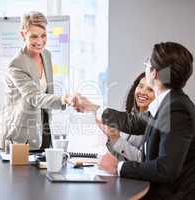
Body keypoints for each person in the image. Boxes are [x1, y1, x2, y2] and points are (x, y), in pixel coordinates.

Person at [75, 42, 195, 199]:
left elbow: (166, 169)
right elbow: (133, 122)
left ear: (155, 73)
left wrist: (118, 167)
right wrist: (91, 107)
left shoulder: (176, 109)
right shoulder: (168, 103)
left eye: (147, 64)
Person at [0, 11, 76, 150]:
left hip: (43, 129)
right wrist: (63, 100)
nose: (40, 41)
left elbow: (47, 91)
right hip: (19, 136)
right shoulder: (16, 64)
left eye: (43, 35)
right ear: (23, 35)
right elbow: (35, 97)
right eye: (33, 36)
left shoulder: (46, 55)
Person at [100, 72, 155, 161]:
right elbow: (124, 158)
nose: (142, 92)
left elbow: (142, 160)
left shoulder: (153, 123)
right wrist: (112, 138)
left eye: (150, 89)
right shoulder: (131, 118)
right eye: (140, 86)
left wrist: (116, 139)